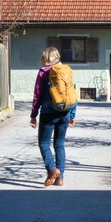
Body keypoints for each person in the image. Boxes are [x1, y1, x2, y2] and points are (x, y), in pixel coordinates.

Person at [29, 47, 76, 186]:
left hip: (48, 113)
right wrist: (72, 114)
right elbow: (71, 93)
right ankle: (60, 178)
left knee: (44, 143)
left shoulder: (43, 73)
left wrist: (33, 115)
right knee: (59, 145)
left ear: (45, 59)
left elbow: (37, 95)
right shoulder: (66, 71)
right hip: (65, 112)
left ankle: (51, 169)